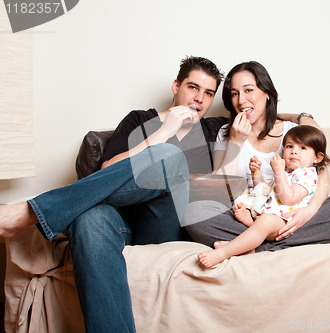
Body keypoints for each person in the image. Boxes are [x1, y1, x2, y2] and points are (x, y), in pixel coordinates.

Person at [0, 56, 226, 333]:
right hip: (123, 224)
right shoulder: (139, 119)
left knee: (170, 157)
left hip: (167, 226)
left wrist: (298, 119)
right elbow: (107, 170)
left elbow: (268, 117)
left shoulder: (213, 129)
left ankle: (32, 211)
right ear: (176, 86)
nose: (199, 99)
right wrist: (163, 132)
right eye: (193, 87)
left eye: (208, 93)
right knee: (89, 218)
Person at [183, 61, 330, 253]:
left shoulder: (292, 132)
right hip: (250, 214)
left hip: (294, 213)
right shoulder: (226, 133)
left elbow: (321, 173)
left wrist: (310, 211)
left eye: (248, 90)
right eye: (234, 93)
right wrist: (236, 142)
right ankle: (268, 243)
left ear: (267, 93)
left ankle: (249, 245)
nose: (240, 100)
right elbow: (219, 192)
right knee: (194, 212)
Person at [198, 125, 330, 268]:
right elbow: (264, 190)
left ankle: (224, 252)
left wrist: (279, 171)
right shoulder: (287, 173)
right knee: (246, 201)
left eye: (303, 148)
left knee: (266, 221)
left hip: (285, 221)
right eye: (289, 146)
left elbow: (289, 198)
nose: (294, 151)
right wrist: (256, 174)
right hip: (269, 214)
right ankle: (249, 234)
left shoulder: (308, 174)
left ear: (317, 158)